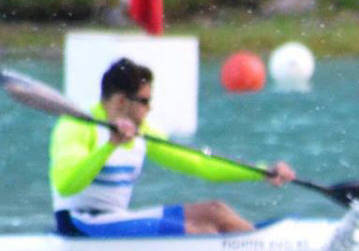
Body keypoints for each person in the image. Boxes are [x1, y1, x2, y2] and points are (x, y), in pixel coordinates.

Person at [47, 57, 294, 236]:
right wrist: (109, 147)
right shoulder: (76, 126)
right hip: (79, 223)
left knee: (215, 211)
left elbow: (200, 164)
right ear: (122, 100)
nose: (150, 108)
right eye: (145, 101)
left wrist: (262, 171)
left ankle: (260, 244)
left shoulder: (142, 133)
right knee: (202, 231)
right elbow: (66, 185)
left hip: (114, 219)